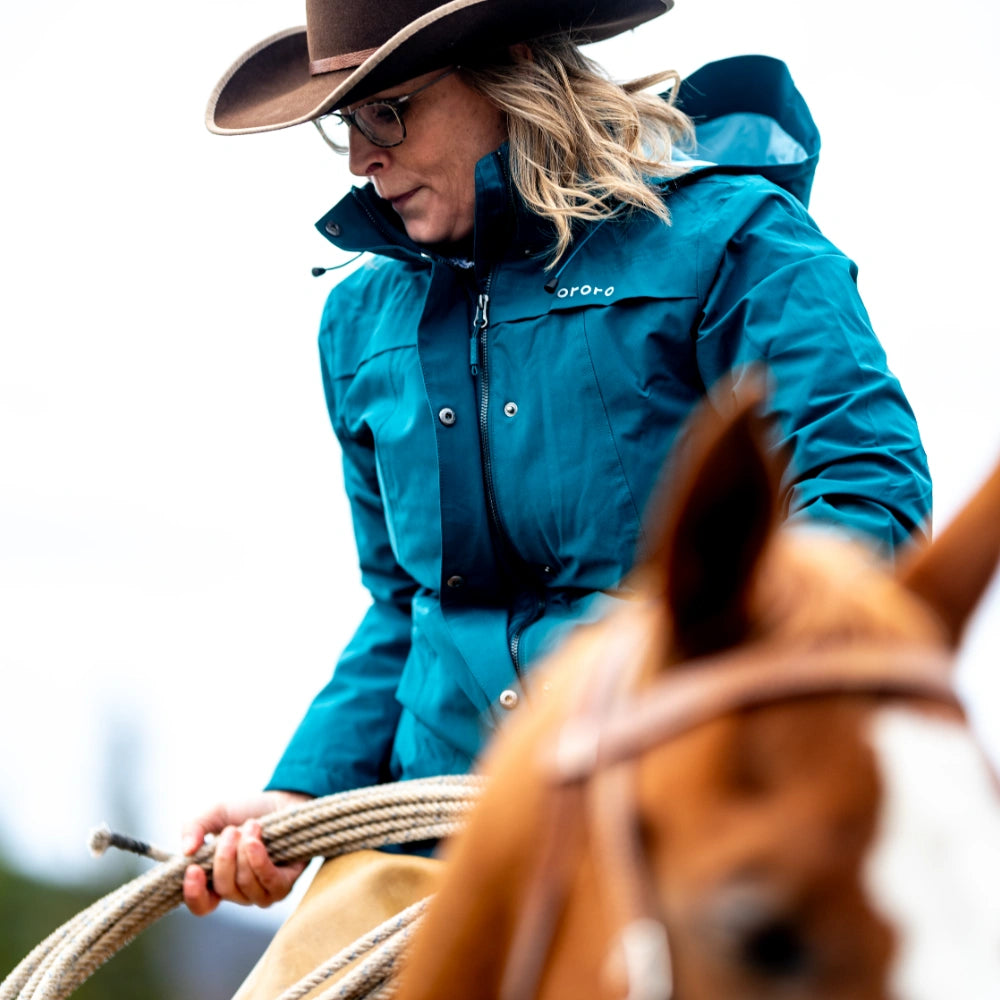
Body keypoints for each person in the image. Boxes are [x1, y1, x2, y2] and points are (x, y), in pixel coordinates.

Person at [183, 0, 932, 916]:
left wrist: (715, 698)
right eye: (347, 121)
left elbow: (863, 498)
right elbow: (407, 603)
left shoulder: (738, 241)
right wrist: (302, 791)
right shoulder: (359, 324)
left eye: (388, 111)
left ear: (508, 67)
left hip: (668, 820)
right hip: (430, 848)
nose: (360, 160)